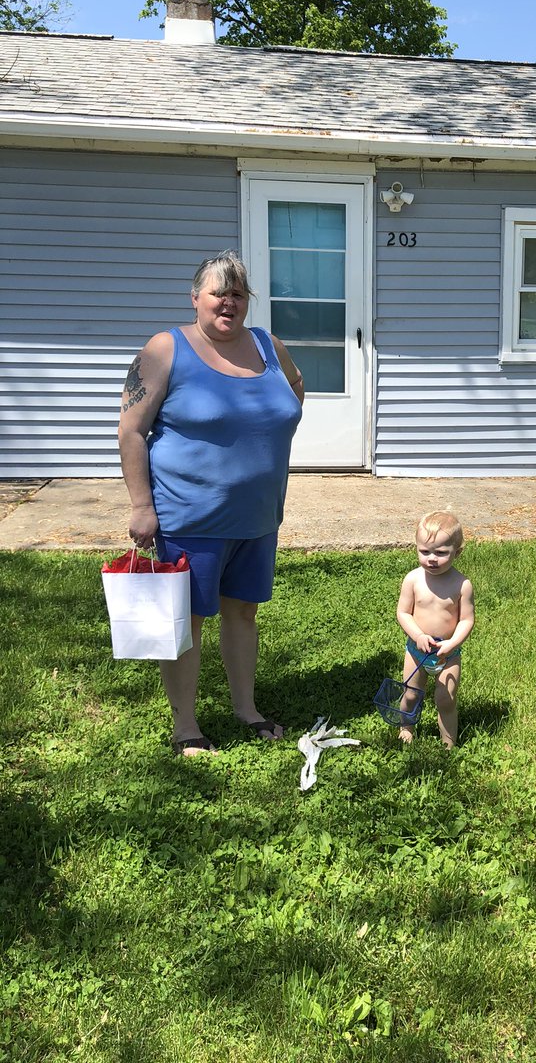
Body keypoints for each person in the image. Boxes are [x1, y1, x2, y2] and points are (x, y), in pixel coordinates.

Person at [118, 250, 304, 755]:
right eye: (218, 292)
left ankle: (245, 708)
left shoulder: (268, 346)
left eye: (238, 293)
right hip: (189, 516)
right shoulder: (165, 349)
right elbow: (132, 431)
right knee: (188, 620)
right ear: (195, 297)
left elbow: (294, 391)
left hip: (259, 516)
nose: (228, 302)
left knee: (243, 612)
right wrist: (142, 507)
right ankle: (186, 726)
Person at [395, 512, 475, 748]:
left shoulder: (462, 585)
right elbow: (403, 613)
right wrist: (418, 635)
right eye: (425, 551)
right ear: (416, 548)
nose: (431, 558)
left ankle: (448, 744)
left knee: (446, 700)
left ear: (457, 552)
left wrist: (452, 643)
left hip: (447, 654)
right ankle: (406, 729)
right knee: (411, 694)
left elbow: (466, 620)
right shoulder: (413, 579)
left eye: (441, 553)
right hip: (416, 650)